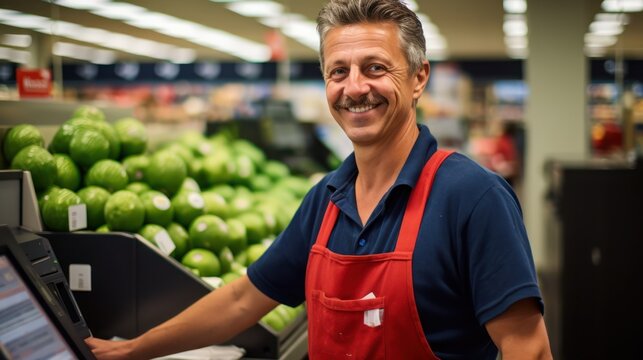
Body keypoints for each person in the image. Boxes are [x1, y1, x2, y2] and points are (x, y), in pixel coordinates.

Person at [87, 0, 552, 358]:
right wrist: (132, 349)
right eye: (338, 72)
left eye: (375, 68)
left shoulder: (473, 197)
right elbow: (242, 301)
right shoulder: (326, 200)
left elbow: (527, 349)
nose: (354, 88)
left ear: (417, 78)